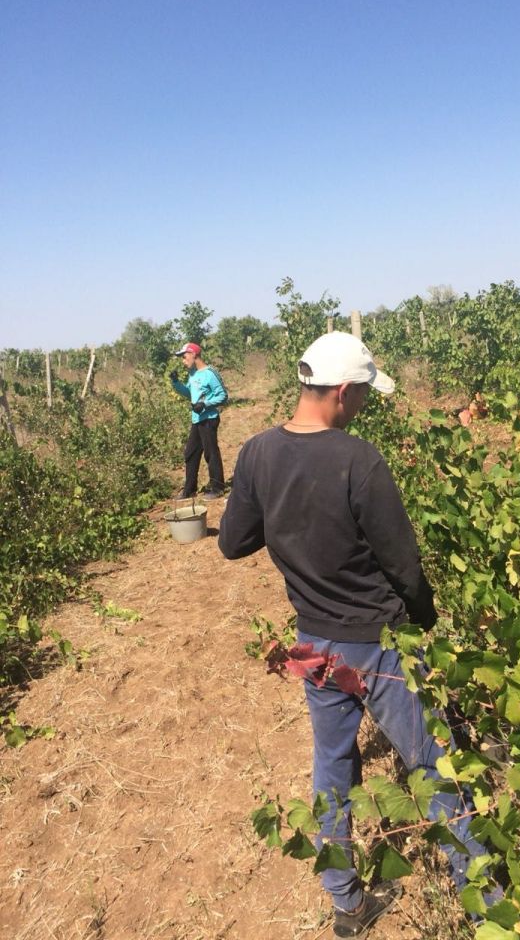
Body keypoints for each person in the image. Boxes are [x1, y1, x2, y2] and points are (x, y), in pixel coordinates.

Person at [218, 331, 494, 938]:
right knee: (431, 761)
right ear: (342, 393)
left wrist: (288, 516)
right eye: (364, 394)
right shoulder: (356, 458)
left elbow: (233, 542)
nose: (364, 405)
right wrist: (425, 622)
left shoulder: (257, 453)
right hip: (377, 644)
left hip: (312, 646)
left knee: (333, 765)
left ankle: (346, 901)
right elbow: (403, 564)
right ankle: (483, 899)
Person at [170, 342, 227, 500]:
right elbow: (190, 394)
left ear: (194, 354)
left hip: (209, 419)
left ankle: (217, 487)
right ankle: (189, 490)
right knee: (191, 453)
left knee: (211, 453)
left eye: (184, 356)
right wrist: (176, 383)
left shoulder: (209, 373)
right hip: (197, 419)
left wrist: (205, 404)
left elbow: (223, 395)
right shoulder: (193, 374)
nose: (183, 360)